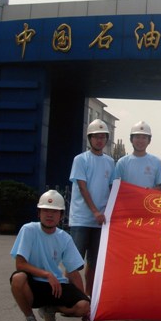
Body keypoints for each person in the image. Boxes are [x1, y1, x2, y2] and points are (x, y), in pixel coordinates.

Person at [10, 190, 90, 321]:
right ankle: (30, 320)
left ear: (61, 215)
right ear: (39, 213)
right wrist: (47, 274)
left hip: (56, 286)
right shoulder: (28, 230)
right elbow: (20, 264)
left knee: (83, 306)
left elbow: (73, 272)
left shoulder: (64, 238)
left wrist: (83, 298)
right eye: (46, 210)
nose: (49, 215)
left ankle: (50, 310)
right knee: (18, 278)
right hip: (33, 285)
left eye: (54, 211)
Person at [68, 118, 115, 296]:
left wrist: (107, 212)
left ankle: (89, 298)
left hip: (100, 221)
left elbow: (112, 188)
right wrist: (95, 211)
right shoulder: (80, 160)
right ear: (89, 139)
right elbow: (82, 187)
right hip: (81, 219)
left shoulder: (110, 162)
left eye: (103, 137)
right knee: (73, 262)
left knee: (94, 263)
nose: (99, 140)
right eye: (96, 136)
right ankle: (70, 297)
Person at [114, 120, 161, 189]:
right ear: (131, 139)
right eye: (137, 137)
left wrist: (149, 191)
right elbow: (115, 187)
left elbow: (160, 186)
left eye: (144, 138)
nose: (140, 141)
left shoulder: (156, 162)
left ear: (149, 141)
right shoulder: (122, 162)